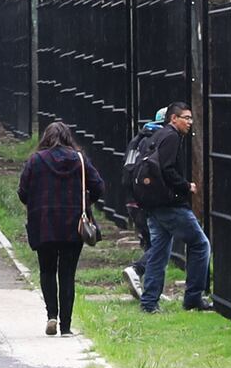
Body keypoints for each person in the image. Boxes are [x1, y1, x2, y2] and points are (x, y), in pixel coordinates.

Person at [18, 122, 105, 336]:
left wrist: (37, 202)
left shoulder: (36, 160)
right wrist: (84, 202)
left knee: (47, 271)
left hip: (43, 223)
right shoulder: (80, 160)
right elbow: (99, 187)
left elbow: (23, 192)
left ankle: (51, 316)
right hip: (73, 224)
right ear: (68, 137)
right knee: (67, 274)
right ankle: (66, 327)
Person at [139, 102, 212, 314]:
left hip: (154, 203)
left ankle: (149, 302)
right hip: (170, 204)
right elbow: (166, 169)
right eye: (186, 118)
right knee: (200, 245)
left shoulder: (158, 135)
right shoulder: (171, 137)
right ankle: (193, 297)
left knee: (159, 252)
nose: (190, 122)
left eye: (191, 118)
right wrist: (185, 185)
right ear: (173, 119)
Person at [120, 107, 166, 300]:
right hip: (146, 199)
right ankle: (137, 269)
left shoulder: (138, 139)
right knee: (160, 243)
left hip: (131, 198)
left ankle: (150, 289)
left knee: (150, 242)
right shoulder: (159, 140)